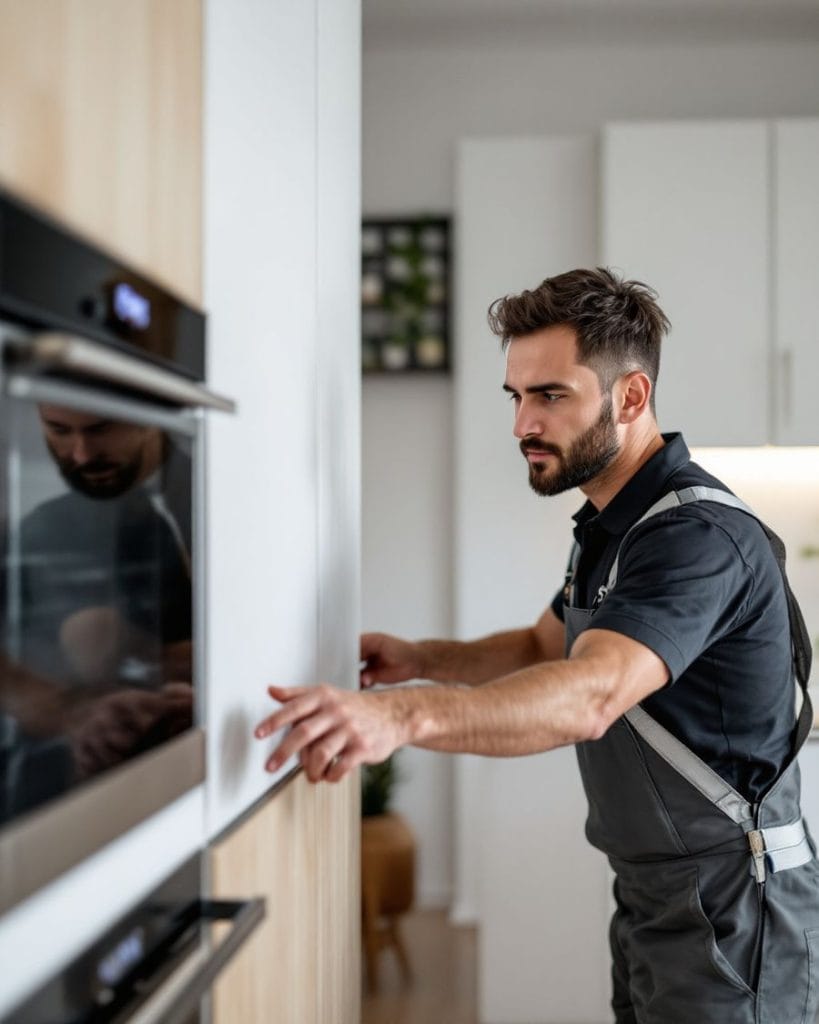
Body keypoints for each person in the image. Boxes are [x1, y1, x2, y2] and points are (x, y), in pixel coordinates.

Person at [254, 267, 819, 1023]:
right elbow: (539, 644)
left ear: (629, 396)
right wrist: (421, 658)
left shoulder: (692, 538)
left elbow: (589, 695)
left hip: (736, 907)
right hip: (655, 893)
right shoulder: (610, 527)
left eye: (549, 396)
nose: (522, 423)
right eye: (515, 396)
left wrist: (400, 717)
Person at [0, 406, 193, 820]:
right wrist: (70, 714)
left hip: (175, 780)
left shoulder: (215, 490)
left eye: (101, 428)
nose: (81, 453)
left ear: (150, 414)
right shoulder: (49, 524)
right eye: (58, 431)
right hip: (65, 794)